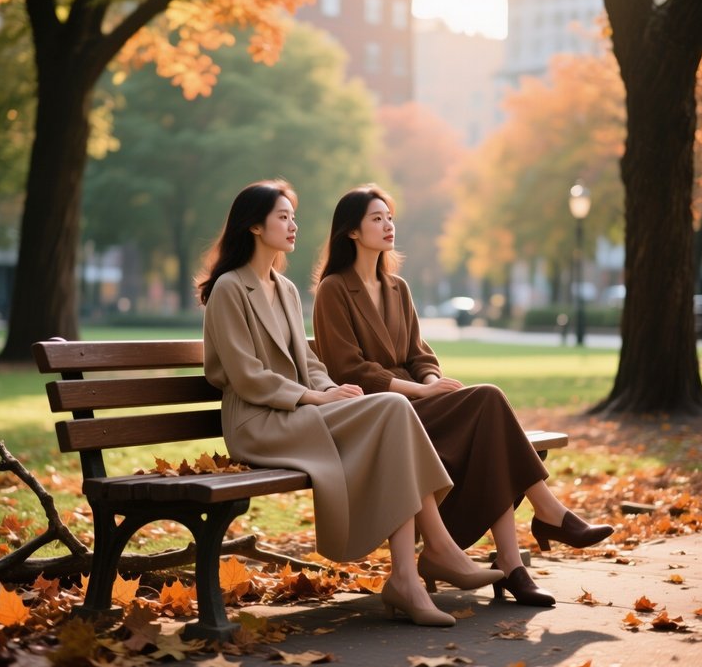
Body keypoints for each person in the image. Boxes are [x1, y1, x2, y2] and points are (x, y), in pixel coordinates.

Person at [196, 180, 504, 628]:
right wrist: (315, 396)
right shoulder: (230, 288)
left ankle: (407, 575)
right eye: (283, 216)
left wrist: (331, 389)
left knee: (391, 408)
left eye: (293, 216)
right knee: (393, 409)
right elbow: (247, 376)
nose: (293, 225)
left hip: (297, 411)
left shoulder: (282, 288)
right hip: (258, 422)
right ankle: (435, 552)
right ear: (255, 227)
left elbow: (308, 359)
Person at [312, 184, 614, 607]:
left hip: (418, 404)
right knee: (489, 402)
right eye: (376, 219)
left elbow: (420, 354)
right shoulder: (334, 290)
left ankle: (515, 561)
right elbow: (349, 370)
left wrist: (433, 379)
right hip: (380, 413)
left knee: (489, 417)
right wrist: (422, 388)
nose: (388, 225)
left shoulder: (398, 288)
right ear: (352, 233)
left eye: (390, 217)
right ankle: (543, 522)